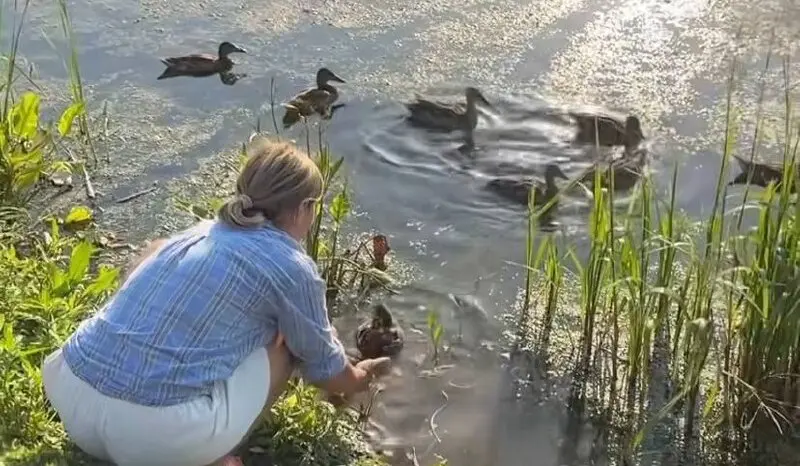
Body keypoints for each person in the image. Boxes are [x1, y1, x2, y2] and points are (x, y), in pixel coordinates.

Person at [41, 136, 392, 466]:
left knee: (156, 249)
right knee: (287, 342)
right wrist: (362, 377)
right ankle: (215, 455)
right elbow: (328, 371)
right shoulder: (292, 266)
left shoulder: (200, 232)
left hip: (70, 390)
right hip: (151, 438)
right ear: (304, 208)